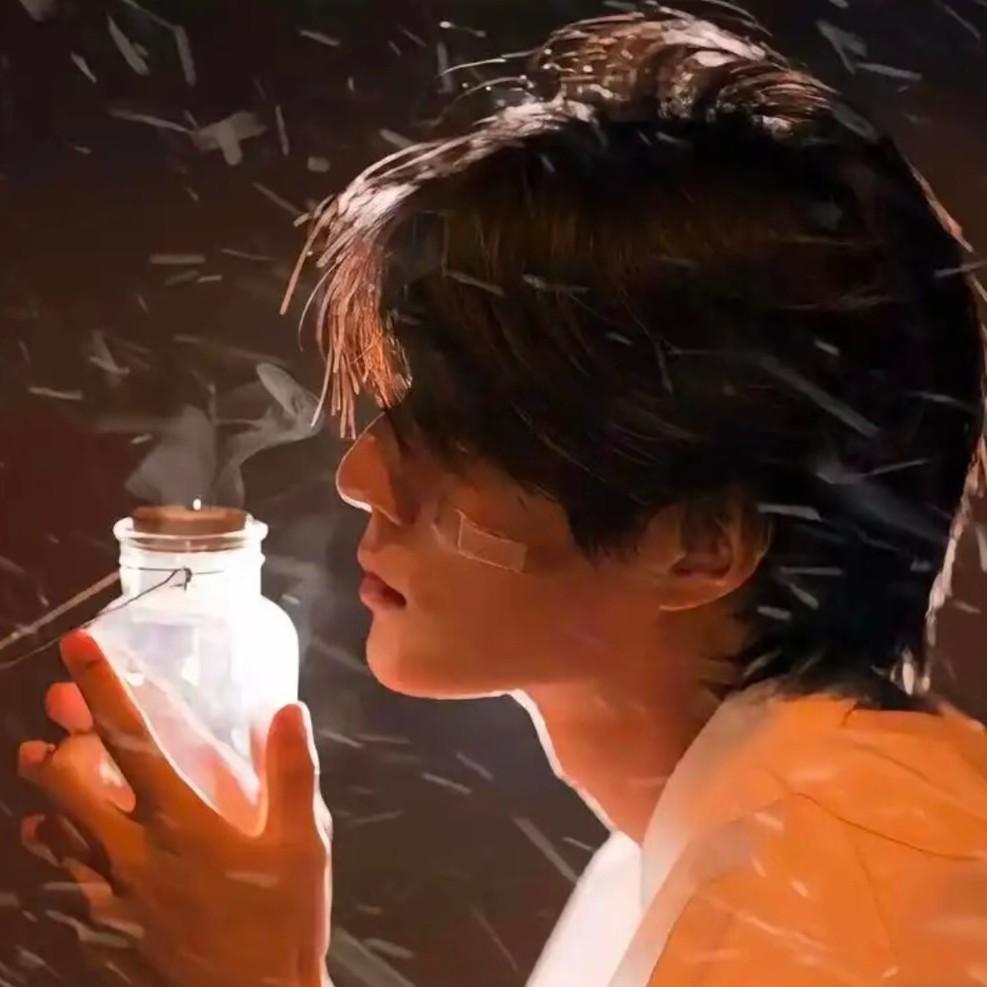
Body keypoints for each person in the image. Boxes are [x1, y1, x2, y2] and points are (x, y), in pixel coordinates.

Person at [16, 9, 987, 987]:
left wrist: (251, 974)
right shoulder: (715, 848)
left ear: (698, 546)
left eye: (461, 432)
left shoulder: (841, 899)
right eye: (398, 408)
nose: (360, 479)